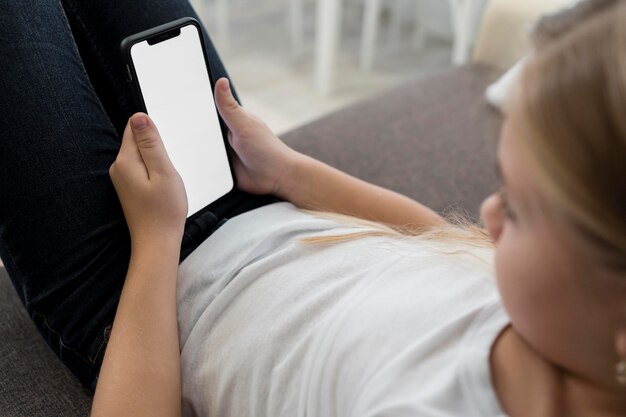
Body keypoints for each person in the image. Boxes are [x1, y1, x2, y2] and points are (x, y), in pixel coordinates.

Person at [0, 0, 624, 416]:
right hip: (251, 195)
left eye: (516, 210)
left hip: (144, 297)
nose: (489, 215)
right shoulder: (555, 315)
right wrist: (288, 168)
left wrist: (158, 237)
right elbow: (443, 241)